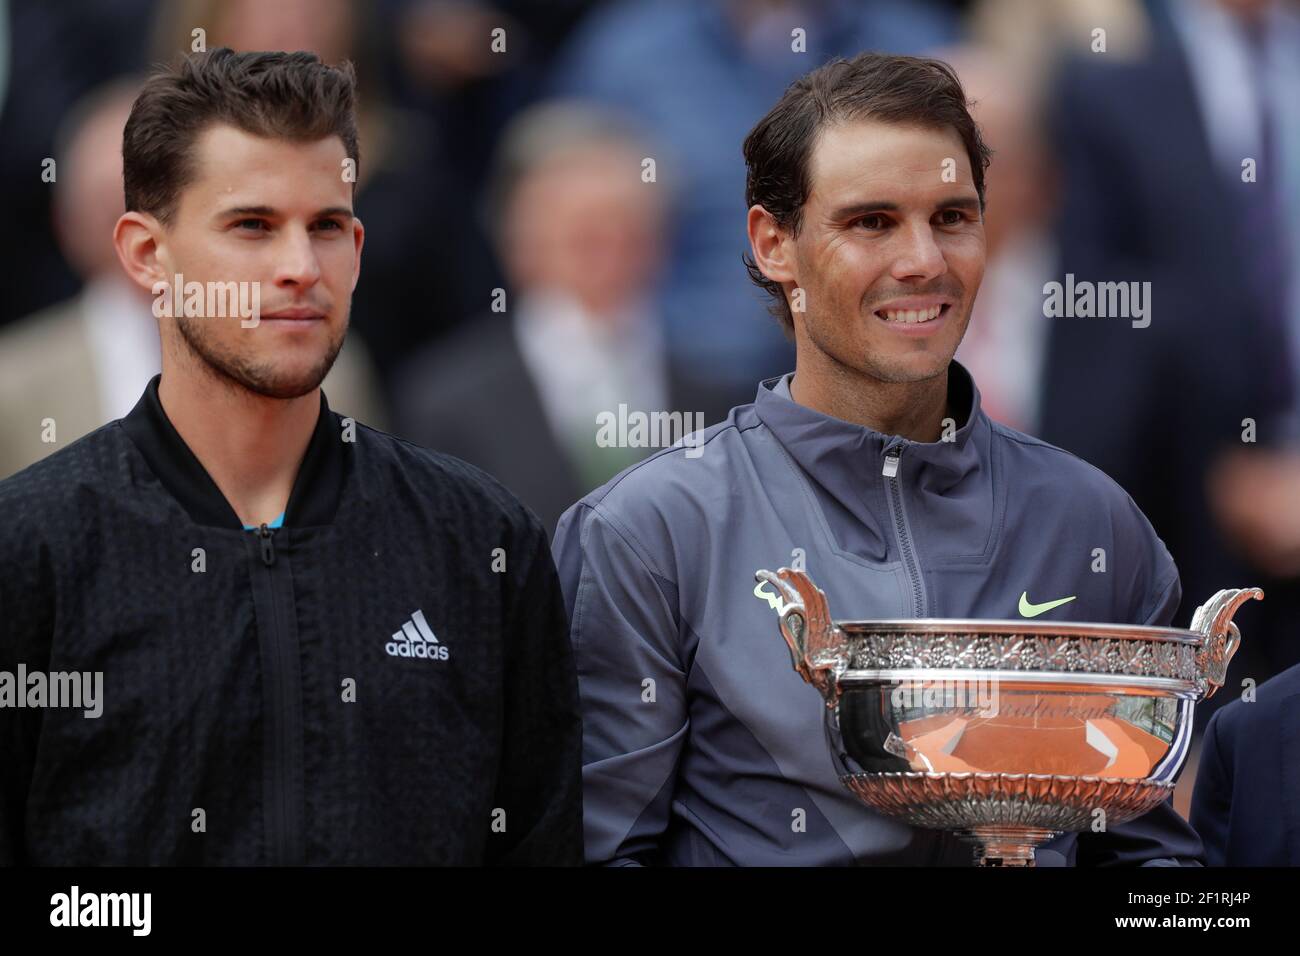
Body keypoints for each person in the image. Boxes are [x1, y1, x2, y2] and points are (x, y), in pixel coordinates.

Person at [553, 52, 1203, 866]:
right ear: (773, 244)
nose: (924, 261)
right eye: (872, 222)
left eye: (953, 217)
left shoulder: (1092, 518)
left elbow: (1154, 870)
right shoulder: (649, 533)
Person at [0, 48, 581, 865]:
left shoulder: (480, 542)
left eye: (327, 227)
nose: (300, 269)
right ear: (145, 255)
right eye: (252, 226)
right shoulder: (30, 549)